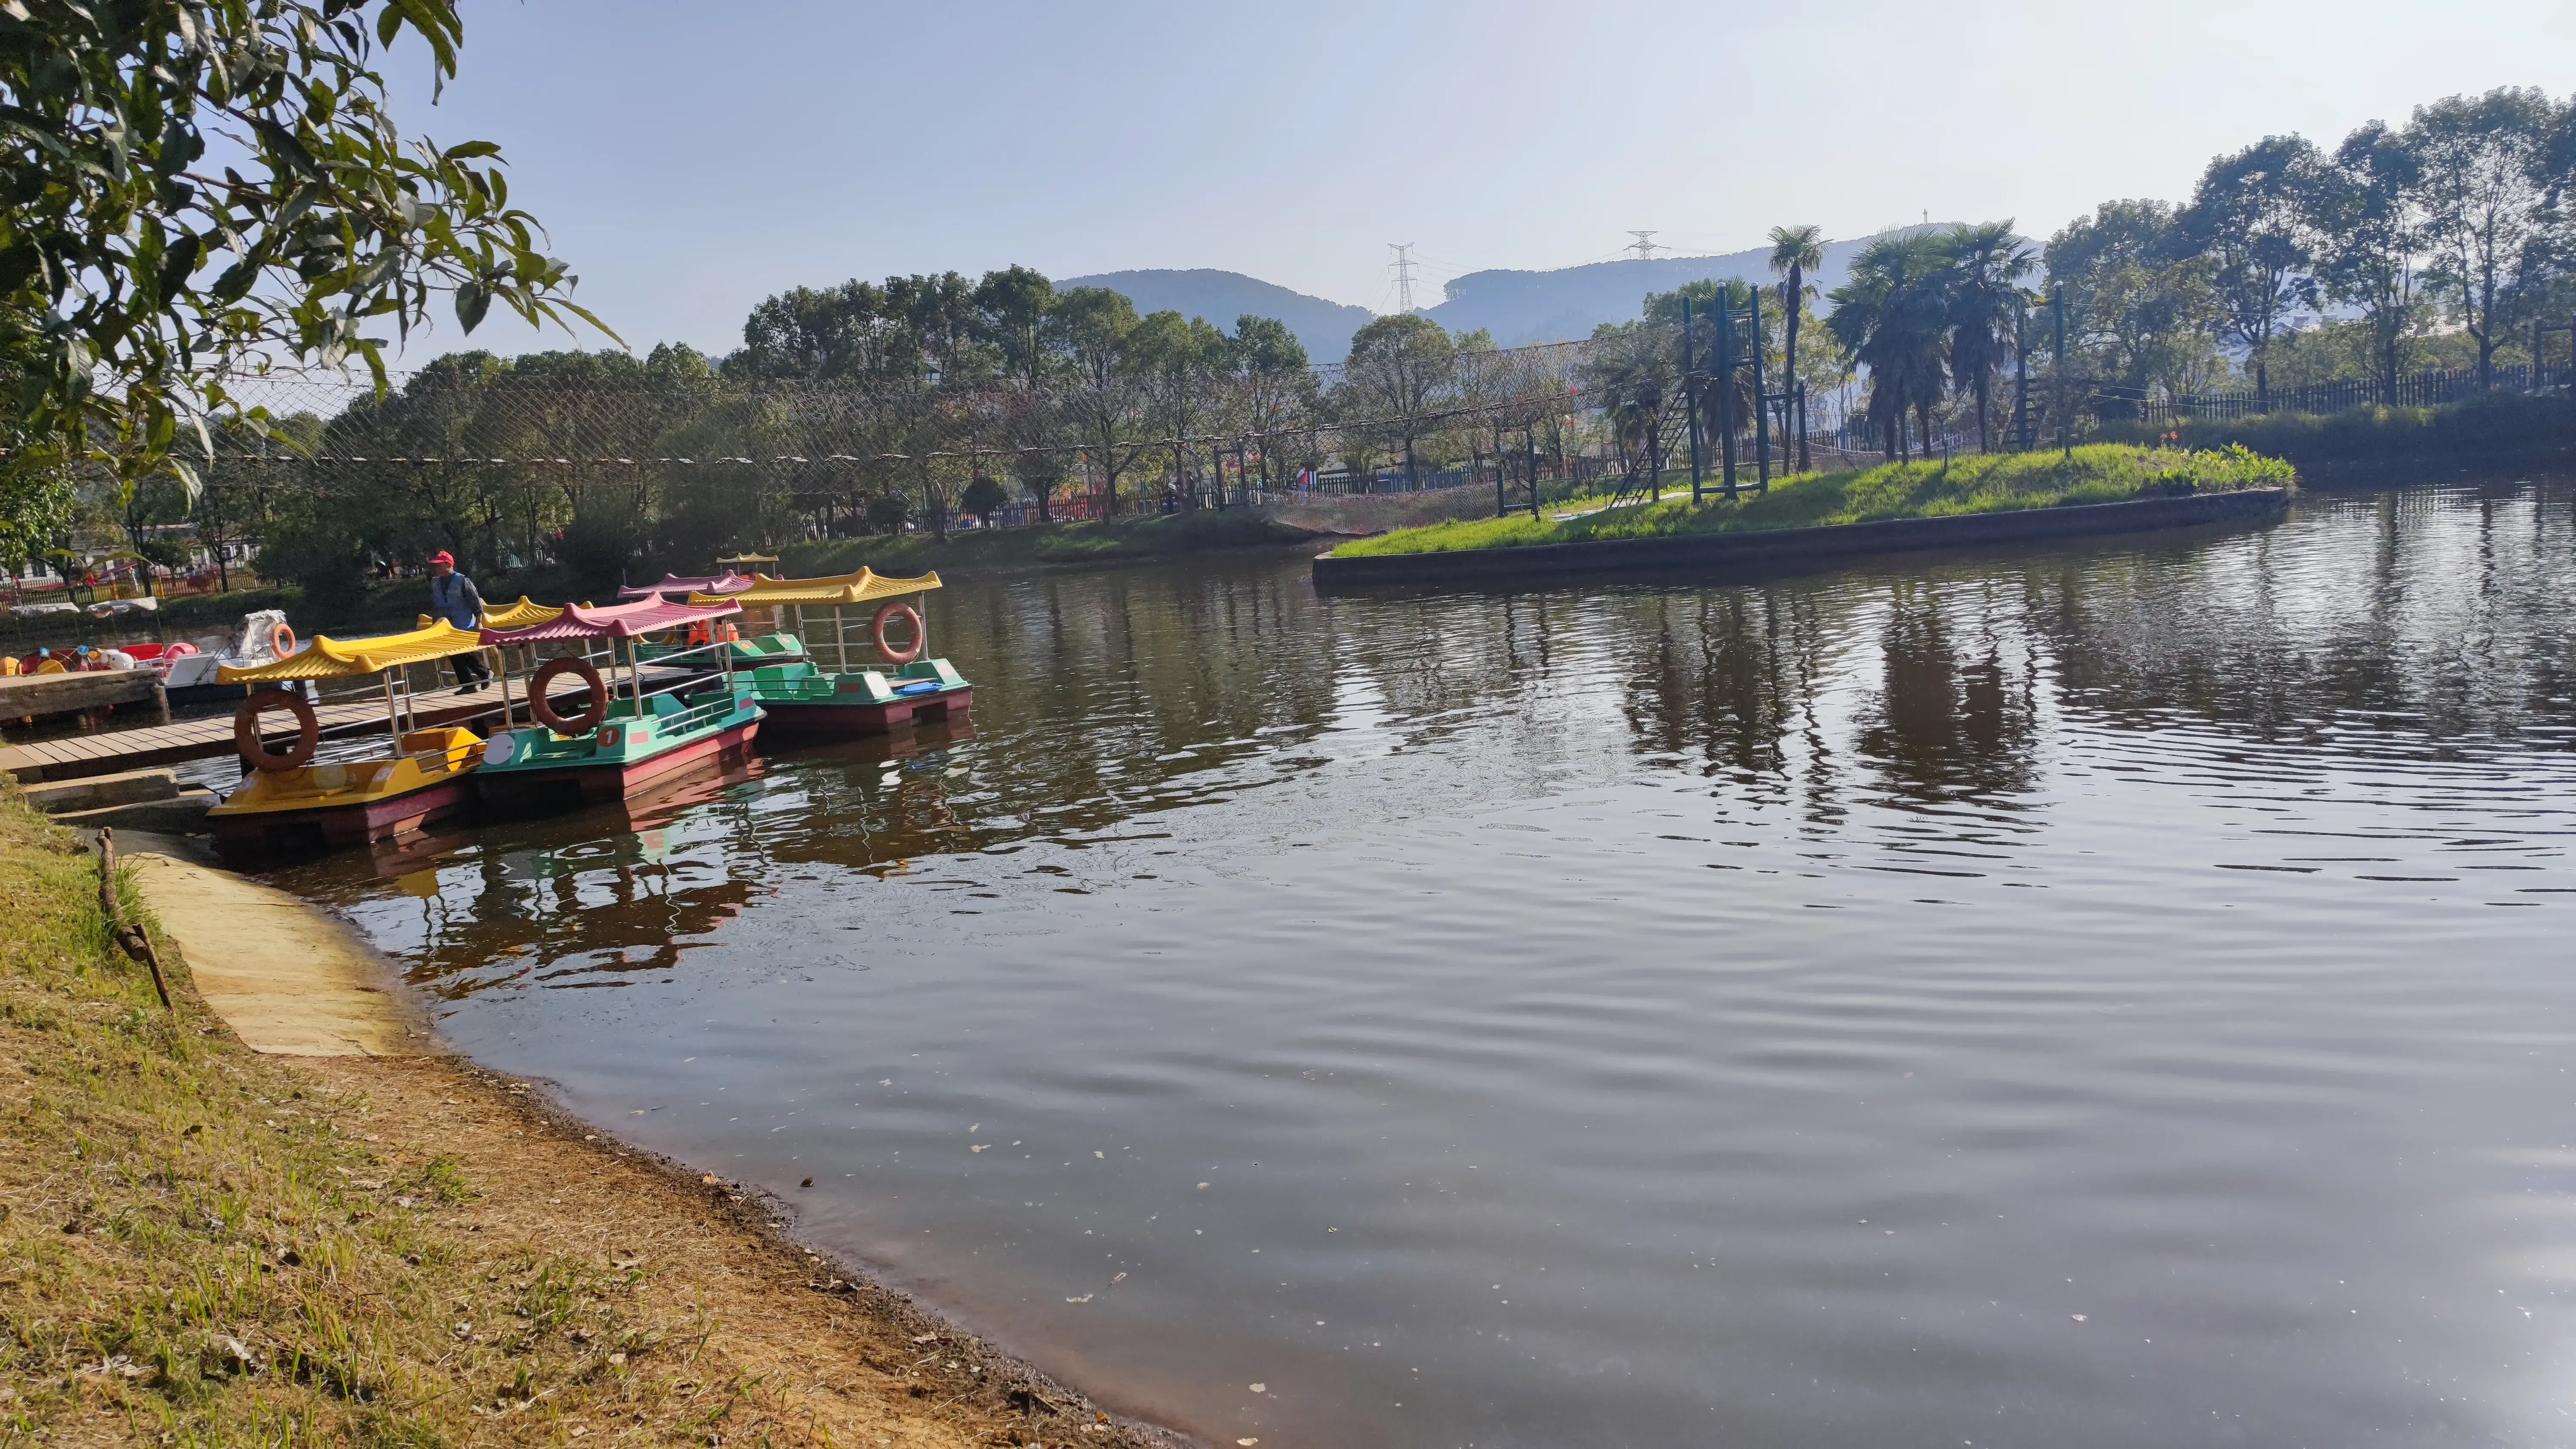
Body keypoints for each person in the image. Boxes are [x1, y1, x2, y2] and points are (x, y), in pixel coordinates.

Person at [426, 550, 492, 693]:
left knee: (465, 653)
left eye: (439, 565)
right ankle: (469, 685)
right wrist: (434, 623)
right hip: (445, 625)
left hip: (463, 623)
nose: (436, 568)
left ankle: (485, 674)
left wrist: (479, 622)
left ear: (448, 565)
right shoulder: (436, 582)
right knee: (454, 655)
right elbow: (435, 604)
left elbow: (476, 603)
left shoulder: (463, 581)